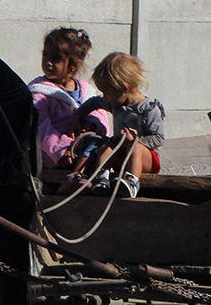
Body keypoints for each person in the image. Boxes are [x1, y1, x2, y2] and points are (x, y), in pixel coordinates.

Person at [65, 52, 165, 198]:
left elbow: (159, 139)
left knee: (135, 148)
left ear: (123, 89)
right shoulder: (116, 103)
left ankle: (132, 182)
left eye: (106, 92)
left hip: (145, 160)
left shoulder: (149, 109)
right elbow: (93, 102)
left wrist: (135, 140)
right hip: (122, 155)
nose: (104, 96)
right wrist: (77, 116)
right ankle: (102, 177)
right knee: (106, 146)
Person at [28, 28, 110, 169]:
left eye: (56, 58)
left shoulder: (86, 90)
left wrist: (93, 125)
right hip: (55, 160)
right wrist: (61, 150)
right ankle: (76, 176)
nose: (48, 62)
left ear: (74, 64)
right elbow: (41, 129)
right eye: (45, 55)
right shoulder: (39, 93)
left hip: (86, 152)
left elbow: (100, 115)